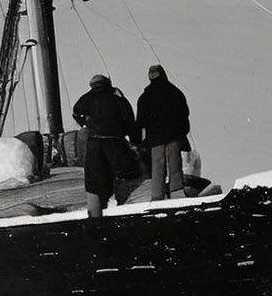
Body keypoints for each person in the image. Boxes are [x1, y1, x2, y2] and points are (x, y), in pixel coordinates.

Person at [72, 74, 140, 218]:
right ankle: (126, 208)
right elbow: (128, 118)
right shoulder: (116, 97)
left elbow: (76, 111)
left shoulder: (87, 98)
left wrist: (85, 124)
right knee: (126, 174)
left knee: (94, 180)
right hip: (115, 141)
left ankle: (95, 212)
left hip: (95, 143)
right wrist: (135, 141)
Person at [136, 64, 191, 201]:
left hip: (155, 138)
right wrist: (183, 132)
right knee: (175, 164)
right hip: (174, 135)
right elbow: (184, 113)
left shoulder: (145, 97)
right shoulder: (175, 92)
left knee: (157, 166)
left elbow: (141, 121)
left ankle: (157, 196)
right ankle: (176, 193)